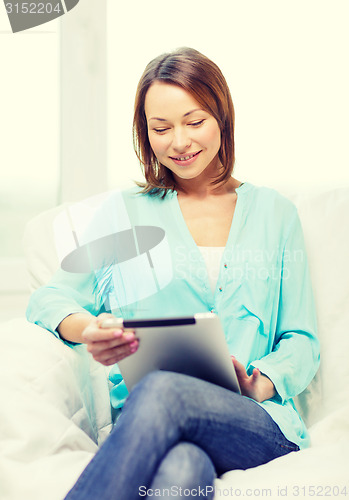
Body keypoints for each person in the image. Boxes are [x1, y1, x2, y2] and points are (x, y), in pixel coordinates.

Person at [26, 47, 320, 499]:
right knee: (181, 470)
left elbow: (302, 340)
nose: (178, 143)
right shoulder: (124, 214)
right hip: (156, 428)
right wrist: (90, 330)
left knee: (166, 390)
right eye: (160, 128)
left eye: (194, 122)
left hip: (253, 423)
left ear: (222, 117)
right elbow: (49, 299)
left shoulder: (275, 214)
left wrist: (258, 381)